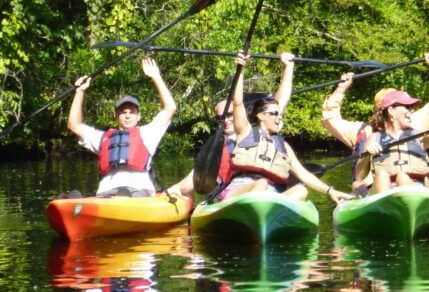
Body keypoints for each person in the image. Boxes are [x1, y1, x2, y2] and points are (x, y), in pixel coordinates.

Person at [223, 53, 351, 203]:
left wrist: (330, 191)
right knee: (261, 183)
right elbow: (237, 102)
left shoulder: (283, 146)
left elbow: (304, 175)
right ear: (261, 116)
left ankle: (271, 211)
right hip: (241, 192)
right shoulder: (246, 132)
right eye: (274, 114)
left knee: (301, 190)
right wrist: (241, 69)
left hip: (271, 197)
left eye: (280, 114)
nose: (279, 117)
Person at [168, 52, 296, 197]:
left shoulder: (255, 131)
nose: (226, 120)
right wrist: (173, 190)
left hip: (266, 192)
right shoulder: (221, 147)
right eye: (220, 118)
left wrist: (289, 68)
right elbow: (195, 178)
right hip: (235, 195)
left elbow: (279, 103)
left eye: (229, 115)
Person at [321, 53, 429, 191]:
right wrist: (341, 89)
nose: (409, 110)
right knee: (358, 184)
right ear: (386, 111)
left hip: (407, 183)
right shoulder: (361, 131)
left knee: (427, 183)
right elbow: (330, 119)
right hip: (371, 190)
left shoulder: (411, 123)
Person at [67, 57, 176, 197]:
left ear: (139, 116)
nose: (128, 116)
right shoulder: (103, 138)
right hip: (106, 193)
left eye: (132, 112)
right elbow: (74, 125)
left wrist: (155, 76)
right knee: (107, 198)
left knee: (125, 196)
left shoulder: (148, 133)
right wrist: (79, 92)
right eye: (123, 112)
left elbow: (170, 108)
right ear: (116, 116)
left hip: (139, 192)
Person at [357, 90, 429, 194]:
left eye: (412, 107)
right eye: (407, 107)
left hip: (415, 188)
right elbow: (359, 176)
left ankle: (411, 197)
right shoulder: (375, 138)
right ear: (391, 111)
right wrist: (367, 155)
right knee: (381, 175)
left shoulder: (418, 135)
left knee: (402, 177)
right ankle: (387, 207)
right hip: (385, 190)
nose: (411, 110)